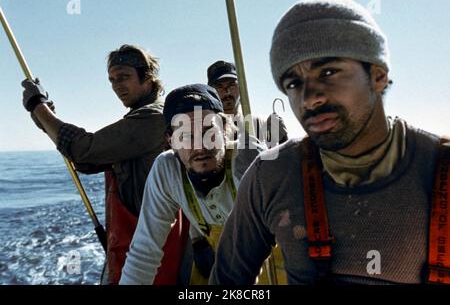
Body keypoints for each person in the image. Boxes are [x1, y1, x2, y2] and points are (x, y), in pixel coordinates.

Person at [210, 0, 450, 285]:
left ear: (378, 75)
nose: (310, 98)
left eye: (328, 72)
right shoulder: (271, 176)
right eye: (293, 83)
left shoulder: (440, 170)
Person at [21, 44, 190, 285]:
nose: (117, 85)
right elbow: (88, 162)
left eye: (124, 77)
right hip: (129, 245)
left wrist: (38, 107)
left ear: (147, 77)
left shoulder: (153, 119)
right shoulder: (138, 118)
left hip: (151, 252)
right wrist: (44, 114)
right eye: (112, 80)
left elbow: (84, 151)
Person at [119, 84, 263, 284]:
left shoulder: (248, 160)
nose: (200, 146)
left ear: (226, 131)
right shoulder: (167, 170)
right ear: (171, 141)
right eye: (186, 136)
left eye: (209, 132)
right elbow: (144, 252)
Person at [207, 60, 288, 148]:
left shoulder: (260, 124)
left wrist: (282, 142)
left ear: (241, 88)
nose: (227, 91)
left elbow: (279, 159)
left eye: (232, 84)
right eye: (219, 86)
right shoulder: (205, 129)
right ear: (211, 92)